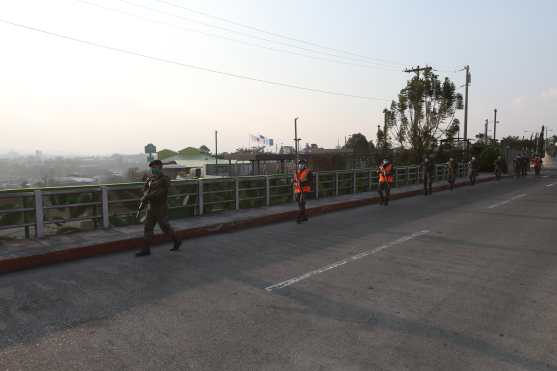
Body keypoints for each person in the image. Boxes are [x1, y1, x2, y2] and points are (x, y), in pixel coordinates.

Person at [136, 160, 182, 257]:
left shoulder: (165, 179)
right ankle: (146, 249)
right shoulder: (150, 179)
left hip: (160, 207)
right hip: (151, 207)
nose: (153, 169)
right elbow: (145, 189)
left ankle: (176, 240)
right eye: (152, 168)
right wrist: (144, 196)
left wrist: (148, 196)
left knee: (165, 227)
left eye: (155, 167)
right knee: (148, 228)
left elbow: (161, 192)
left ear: (160, 168)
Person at [293, 159, 312, 224]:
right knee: (300, 204)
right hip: (298, 190)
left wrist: (303, 183)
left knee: (302, 202)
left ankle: (298, 218)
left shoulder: (308, 171)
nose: (301, 165)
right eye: (300, 164)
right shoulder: (296, 171)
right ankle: (304, 217)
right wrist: (293, 181)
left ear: (305, 165)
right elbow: (294, 180)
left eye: (302, 164)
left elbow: (310, 181)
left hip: (305, 189)